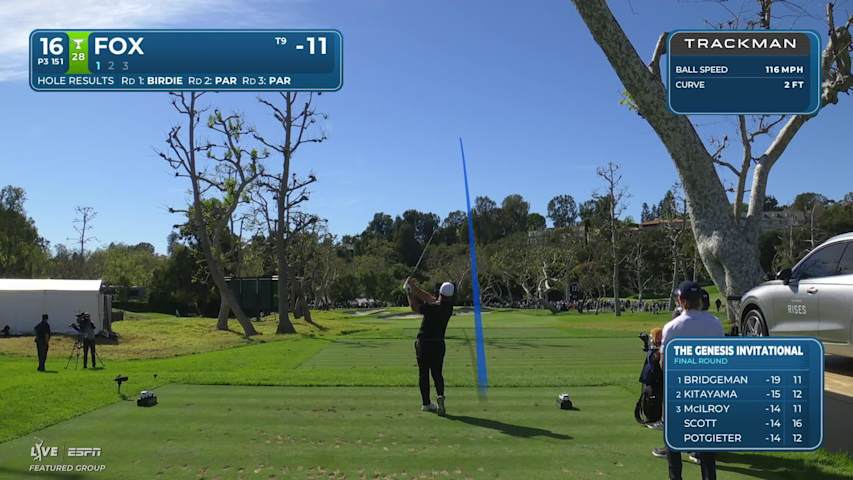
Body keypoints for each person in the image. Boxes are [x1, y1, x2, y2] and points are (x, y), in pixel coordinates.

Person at [656, 281, 723, 480]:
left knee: (674, 441)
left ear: (681, 300)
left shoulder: (672, 327)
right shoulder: (715, 323)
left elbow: (664, 364)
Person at [404, 278, 455, 415]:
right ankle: (440, 395)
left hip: (424, 344)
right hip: (438, 344)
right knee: (437, 373)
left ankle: (426, 403)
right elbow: (428, 297)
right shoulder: (448, 307)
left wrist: (409, 292)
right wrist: (414, 288)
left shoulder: (432, 307)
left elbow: (415, 307)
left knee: (423, 373)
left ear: (440, 292)